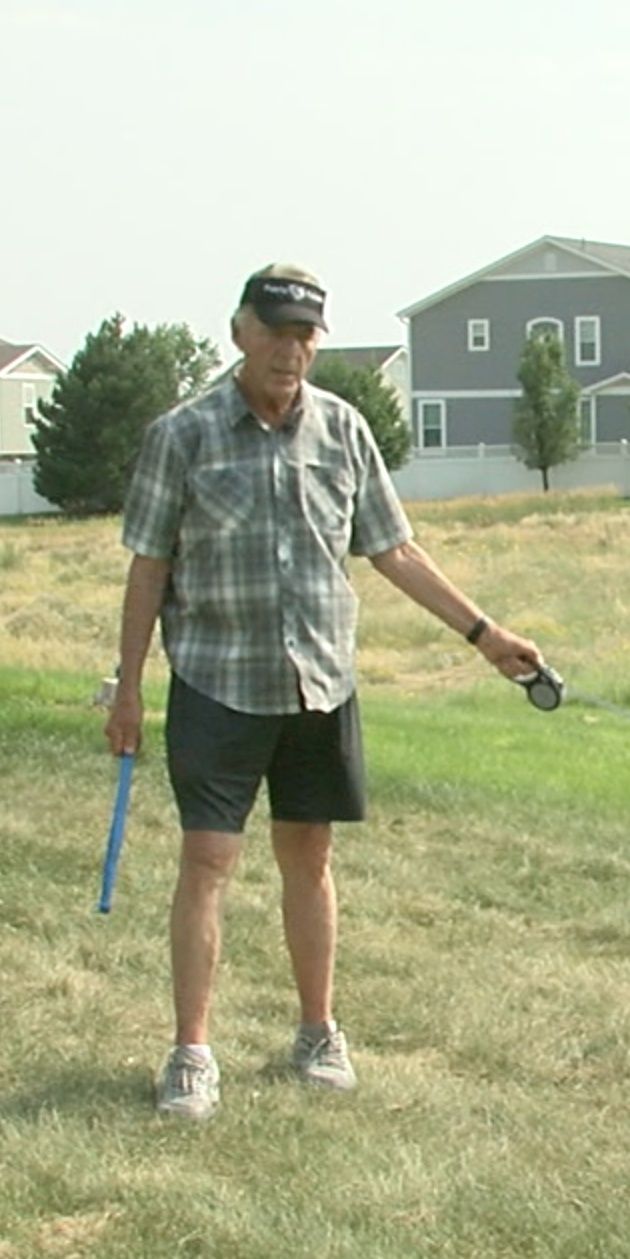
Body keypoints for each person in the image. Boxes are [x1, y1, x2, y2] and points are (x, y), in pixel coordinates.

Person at [106, 262, 544, 1121]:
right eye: (275, 331)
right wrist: (128, 690)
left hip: (319, 684)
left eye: (306, 334)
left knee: (310, 857)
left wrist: (485, 637)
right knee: (208, 863)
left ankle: (318, 1033)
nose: (290, 350)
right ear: (240, 332)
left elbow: (395, 552)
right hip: (216, 682)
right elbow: (148, 567)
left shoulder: (343, 431)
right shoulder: (184, 434)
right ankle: (191, 1053)